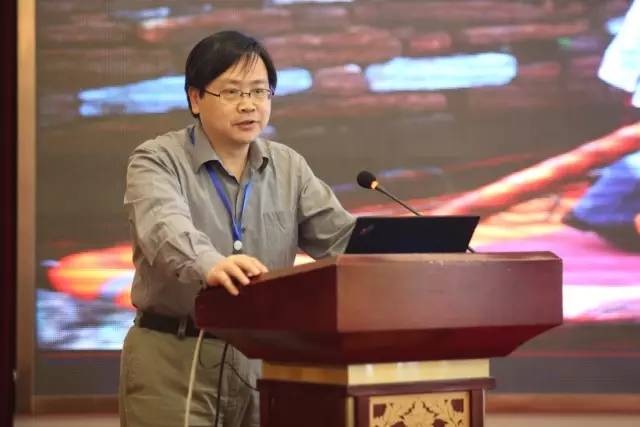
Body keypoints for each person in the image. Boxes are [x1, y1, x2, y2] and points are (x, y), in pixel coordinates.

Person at [119, 30, 355, 427]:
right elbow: (162, 226)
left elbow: (341, 241)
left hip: (263, 361)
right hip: (174, 358)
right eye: (232, 92)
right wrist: (208, 263)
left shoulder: (288, 166)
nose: (249, 105)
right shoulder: (157, 159)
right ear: (196, 98)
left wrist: (409, 254)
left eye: (260, 91)